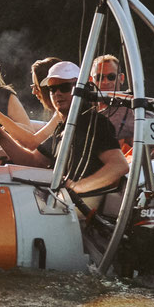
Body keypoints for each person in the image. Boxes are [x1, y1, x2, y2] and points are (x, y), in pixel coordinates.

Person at [30, 59, 128, 211]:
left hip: (78, 207)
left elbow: (119, 166)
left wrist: (78, 187)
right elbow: (34, 160)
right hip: (62, 200)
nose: (57, 94)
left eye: (64, 87)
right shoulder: (64, 126)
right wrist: (1, 134)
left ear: (80, 89)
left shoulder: (95, 123)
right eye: (52, 89)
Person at [91, 54, 134, 144]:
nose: (105, 82)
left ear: (121, 78)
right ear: (91, 80)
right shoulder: (83, 109)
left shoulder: (133, 110)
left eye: (111, 77)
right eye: (99, 77)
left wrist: (128, 140)